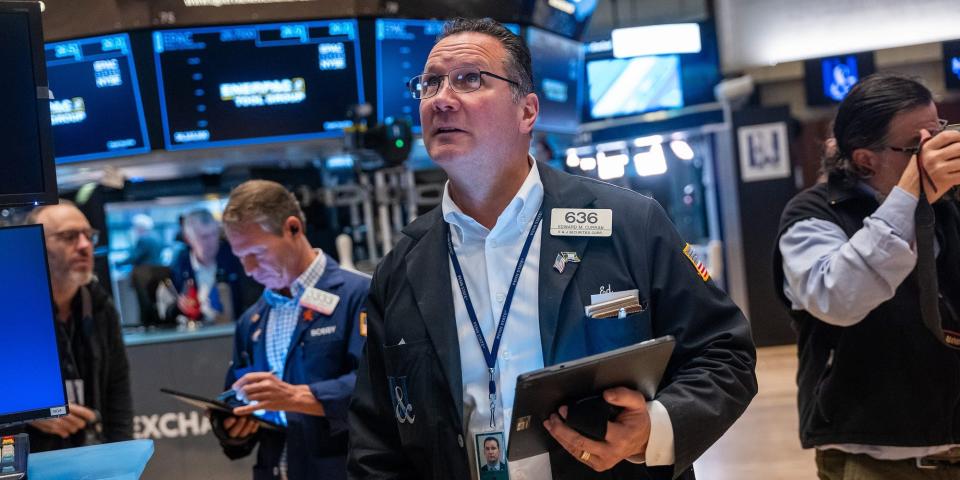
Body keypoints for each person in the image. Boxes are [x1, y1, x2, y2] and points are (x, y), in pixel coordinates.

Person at [348, 18, 757, 480]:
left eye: (469, 79)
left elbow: (725, 353)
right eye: (430, 83)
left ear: (527, 111)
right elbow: (375, 442)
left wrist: (653, 430)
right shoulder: (402, 268)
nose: (441, 98)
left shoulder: (628, 223)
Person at [774, 74, 960, 478]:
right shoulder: (812, 215)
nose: (934, 152)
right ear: (864, 160)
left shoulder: (948, 203)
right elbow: (837, 297)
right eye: (917, 146)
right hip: (872, 459)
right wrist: (909, 194)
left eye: (940, 132)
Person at [211, 180, 369, 480]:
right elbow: (238, 401)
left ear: (293, 228)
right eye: (240, 256)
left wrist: (296, 396)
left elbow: (375, 389)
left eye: (256, 252)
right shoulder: (251, 320)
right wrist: (232, 428)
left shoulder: (357, 294)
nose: (248, 268)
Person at [4, 202, 133, 451]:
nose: (85, 246)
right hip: (26, 458)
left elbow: (117, 392)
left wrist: (120, 458)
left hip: (87, 455)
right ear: (35, 246)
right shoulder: (9, 310)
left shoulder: (100, 306)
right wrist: (24, 410)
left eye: (89, 236)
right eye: (69, 237)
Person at [159, 209, 261, 323]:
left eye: (214, 234)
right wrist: (178, 307)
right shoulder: (179, 266)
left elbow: (254, 305)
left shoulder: (236, 260)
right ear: (188, 239)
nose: (211, 242)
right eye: (204, 237)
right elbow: (165, 314)